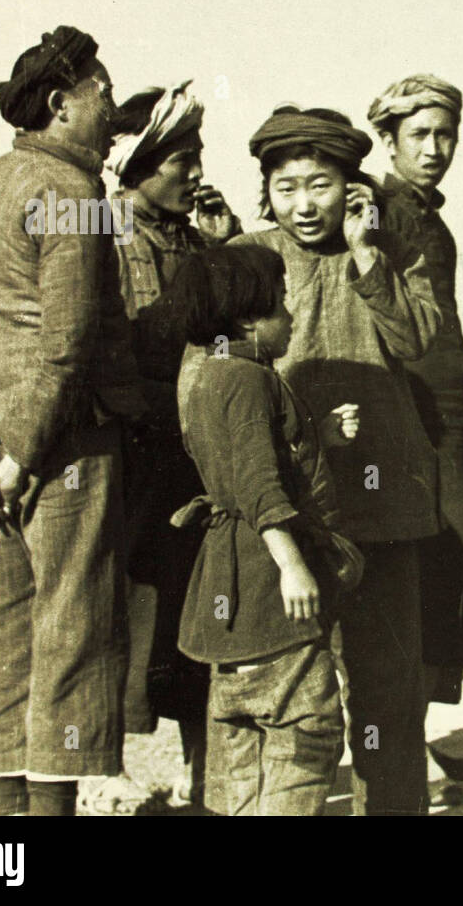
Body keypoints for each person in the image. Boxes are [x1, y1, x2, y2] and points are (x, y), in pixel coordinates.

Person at [228, 104, 442, 815]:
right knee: (283, 690)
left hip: (381, 505)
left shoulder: (391, 246)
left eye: (318, 185)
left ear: (351, 188)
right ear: (267, 192)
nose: (302, 204)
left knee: (387, 691)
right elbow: (222, 372)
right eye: (286, 187)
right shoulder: (248, 257)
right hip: (287, 507)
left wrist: (365, 255)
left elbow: (415, 343)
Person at [0, 26, 145, 815]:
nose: (109, 107)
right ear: (63, 105)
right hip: (61, 446)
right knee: (70, 640)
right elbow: (64, 344)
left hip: (1, 448)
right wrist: (27, 453)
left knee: (8, 637)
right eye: (101, 91)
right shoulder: (71, 195)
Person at [78, 80, 240, 814]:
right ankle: (101, 766)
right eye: (183, 159)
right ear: (141, 161)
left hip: (192, 454)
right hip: (129, 454)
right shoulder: (102, 237)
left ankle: (202, 771)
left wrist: (225, 245)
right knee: (125, 612)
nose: (197, 172)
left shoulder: (197, 241)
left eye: (199, 156)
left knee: (199, 610)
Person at [169, 244, 363, 815]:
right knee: (307, 728)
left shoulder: (210, 377)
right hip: (268, 584)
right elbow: (257, 486)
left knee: (239, 742)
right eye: (281, 305)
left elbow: (241, 462)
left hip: (228, 589)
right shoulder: (252, 380)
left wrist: (313, 437)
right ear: (249, 319)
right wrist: (294, 566)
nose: (293, 316)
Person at [368, 75, 463, 801]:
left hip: (446, 421)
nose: (435, 149)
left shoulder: (429, 219)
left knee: (440, 590)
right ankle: (397, 758)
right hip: (410, 424)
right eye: (418, 135)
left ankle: (413, 742)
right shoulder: (381, 211)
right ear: (388, 141)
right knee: (412, 592)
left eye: (445, 135)